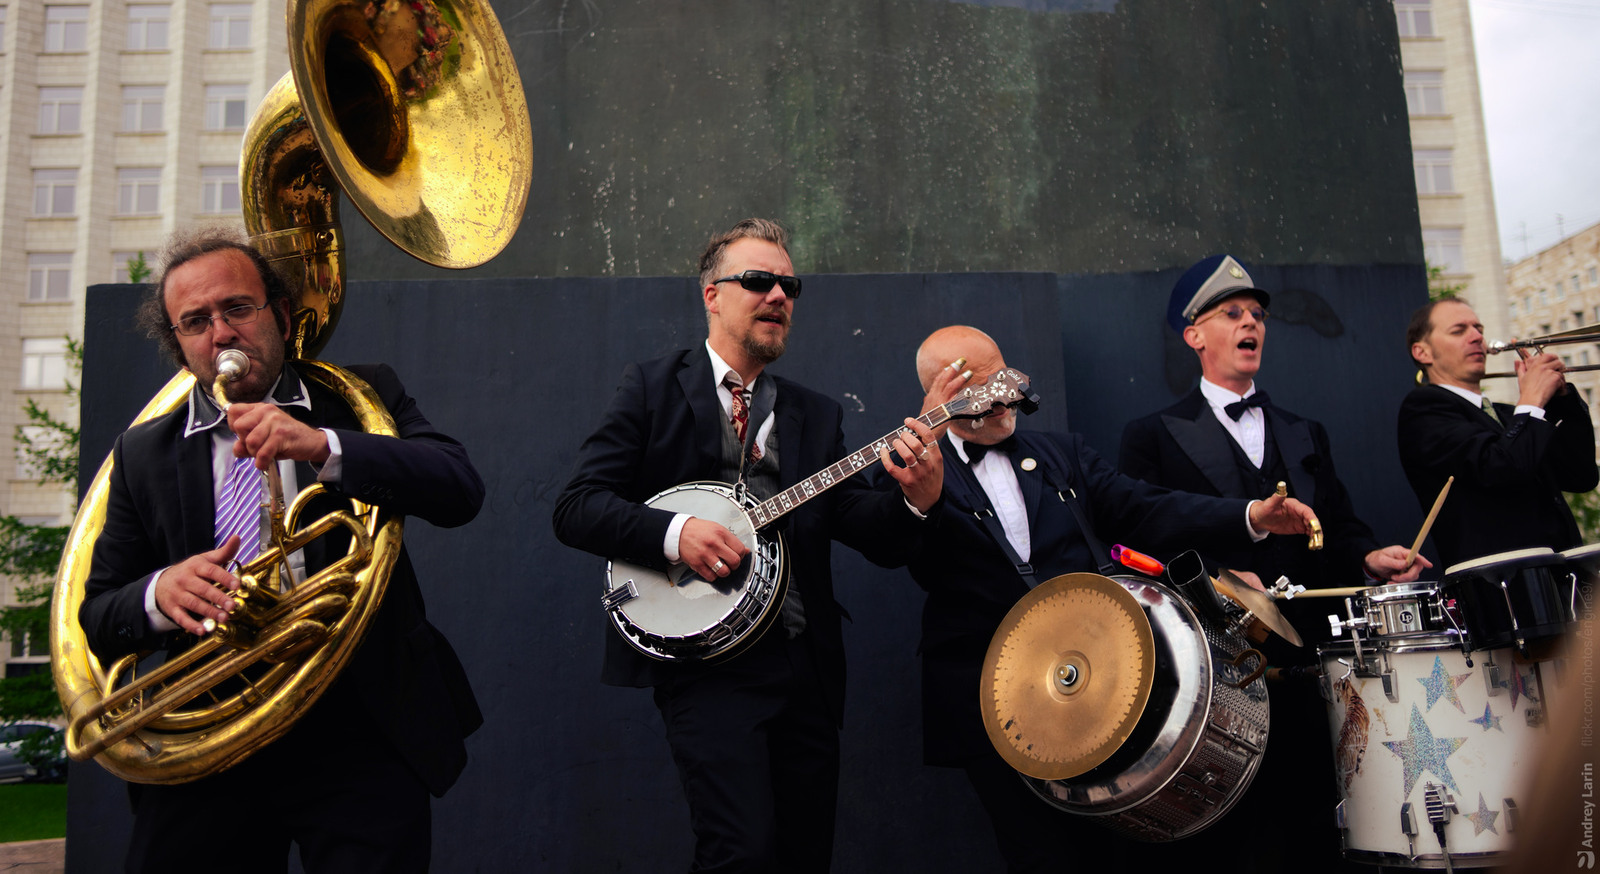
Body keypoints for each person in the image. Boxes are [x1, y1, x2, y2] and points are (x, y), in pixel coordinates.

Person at [79, 230, 485, 874]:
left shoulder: (363, 396)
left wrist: (324, 446)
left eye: (238, 309)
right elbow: (98, 615)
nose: (221, 334)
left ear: (282, 313)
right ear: (180, 345)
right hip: (209, 731)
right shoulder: (142, 453)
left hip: (360, 722)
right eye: (196, 322)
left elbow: (460, 489)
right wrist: (161, 594)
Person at [552, 218, 944, 873]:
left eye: (789, 285)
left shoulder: (815, 414)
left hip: (804, 666)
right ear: (712, 294)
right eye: (758, 281)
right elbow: (577, 507)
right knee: (741, 852)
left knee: (803, 855)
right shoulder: (651, 388)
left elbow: (863, 526)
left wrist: (919, 499)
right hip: (705, 666)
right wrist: (677, 534)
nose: (778, 296)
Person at [878, 324, 1324, 873]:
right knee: (1040, 854)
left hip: (1100, 682)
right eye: (972, 386)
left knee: (1117, 852)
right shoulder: (909, 469)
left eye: (1000, 375)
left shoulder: (1061, 454)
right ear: (939, 394)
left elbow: (1146, 508)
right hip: (989, 699)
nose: (998, 395)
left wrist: (1250, 516)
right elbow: (886, 539)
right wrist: (923, 459)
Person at [1118, 253, 1427, 874]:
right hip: (1224, 670)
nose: (1249, 322)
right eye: (1231, 313)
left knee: (1322, 819)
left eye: (1256, 314)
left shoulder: (1303, 430)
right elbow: (1139, 538)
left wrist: (1367, 556)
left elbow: (1336, 525)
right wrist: (1219, 578)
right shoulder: (1151, 434)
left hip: (1313, 663)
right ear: (1195, 335)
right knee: (1244, 839)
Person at [1398, 296, 1597, 567]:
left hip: (1563, 575)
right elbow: (1501, 467)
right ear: (1422, 352)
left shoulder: (1506, 414)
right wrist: (1532, 400)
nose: (1476, 337)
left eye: (1478, 329)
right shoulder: (1425, 409)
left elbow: (1580, 476)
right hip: (1502, 584)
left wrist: (1563, 401)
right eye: (1459, 330)